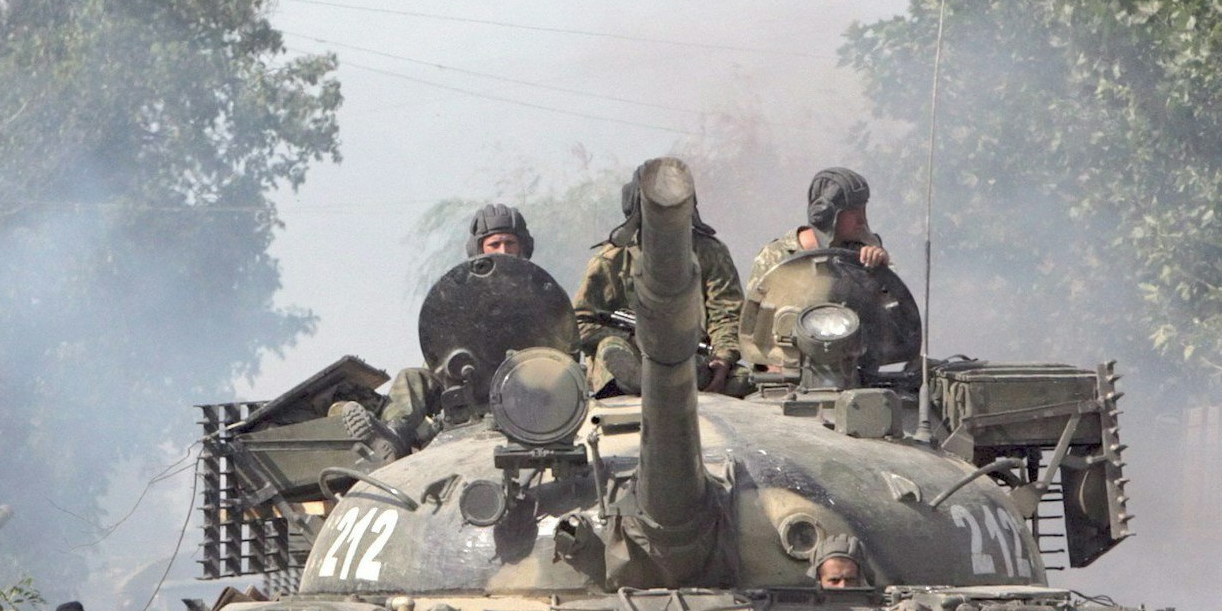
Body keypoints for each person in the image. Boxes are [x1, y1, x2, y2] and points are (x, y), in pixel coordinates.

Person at [342, 204, 543, 460]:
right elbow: (442, 353)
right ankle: (393, 437)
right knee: (412, 377)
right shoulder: (463, 298)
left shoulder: (540, 293)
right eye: (495, 244)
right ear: (480, 249)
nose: (503, 251)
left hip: (525, 387)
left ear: (523, 247)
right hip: (467, 386)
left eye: (509, 243)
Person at [572, 169, 745, 396]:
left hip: (691, 358)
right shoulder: (611, 261)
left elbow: (727, 315)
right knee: (611, 349)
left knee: (743, 381)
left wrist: (722, 359)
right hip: (628, 361)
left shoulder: (710, 253)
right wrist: (634, 338)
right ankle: (640, 385)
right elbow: (579, 324)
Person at [746, 168, 890, 299]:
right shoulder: (775, 257)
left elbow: (892, 309)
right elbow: (754, 314)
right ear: (826, 213)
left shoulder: (862, 254)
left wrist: (881, 269)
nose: (862, 219)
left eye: (863, 209)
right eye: (853, 212)